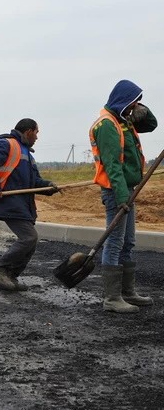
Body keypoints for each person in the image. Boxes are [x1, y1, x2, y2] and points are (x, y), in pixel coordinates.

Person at [90, 79, 157, 313]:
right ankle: (112, 298)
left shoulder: (124, 121)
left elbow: (151, 125)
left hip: (128, 190)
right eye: (132, 103)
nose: (133, 107)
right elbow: (112, 165)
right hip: (116, 191)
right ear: (122, 101)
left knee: (128, 242)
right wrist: (120, 197)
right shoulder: (107, 125)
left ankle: (128, 293)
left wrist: (142, 110)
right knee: (116, 242)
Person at [0, 118, 58, 291]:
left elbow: (33, 182)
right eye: (36, 133)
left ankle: (10, 276)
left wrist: (48, 187)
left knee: (31, 240)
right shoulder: (7, 145)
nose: (37, 137)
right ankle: (1, 268)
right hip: (9, 202)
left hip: (22, 204)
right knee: (29, 238)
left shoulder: (28, 154)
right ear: (28, 132)